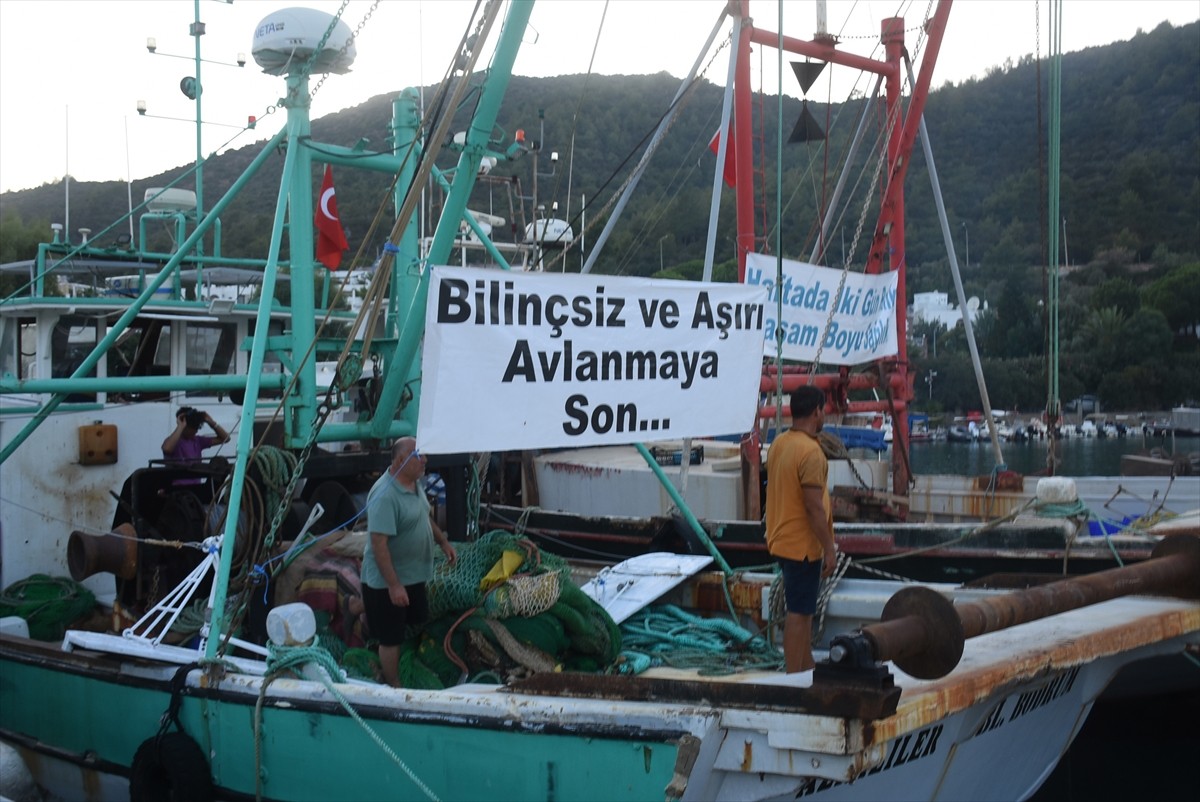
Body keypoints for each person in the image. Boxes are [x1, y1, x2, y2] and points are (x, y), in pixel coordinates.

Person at [361, 437, 457, 687]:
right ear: (402, 460)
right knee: (390, 637)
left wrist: (443, 542)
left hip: (414, 574)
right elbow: (378, 545)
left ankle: (358, 607)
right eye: (419, 455)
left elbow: (424, 516)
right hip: (388, 580)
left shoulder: (414, 484)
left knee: (415, 619)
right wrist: (393, 586)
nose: (425, 460)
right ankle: (394, 685)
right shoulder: (384, 496)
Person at [765, 385, 837, 673]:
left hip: (781, 539)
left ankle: (806, 667)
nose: (824, 415)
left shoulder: (780, 443)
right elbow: (813, 507)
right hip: (802, 548)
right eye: (823, 410)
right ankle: (795, 676)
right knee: (799, 613)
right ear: (817, 411)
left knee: (804, 612)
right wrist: (829, 548)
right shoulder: (810, 452)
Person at [162, 407, 230, 464]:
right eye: (194, 428)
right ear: (185, 426)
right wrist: (180, 426)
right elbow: (167, 449)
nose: (196, 431)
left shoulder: (198, 441)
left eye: (197, 428)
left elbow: (226, 438)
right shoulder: (173, 441)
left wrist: (212, 423)